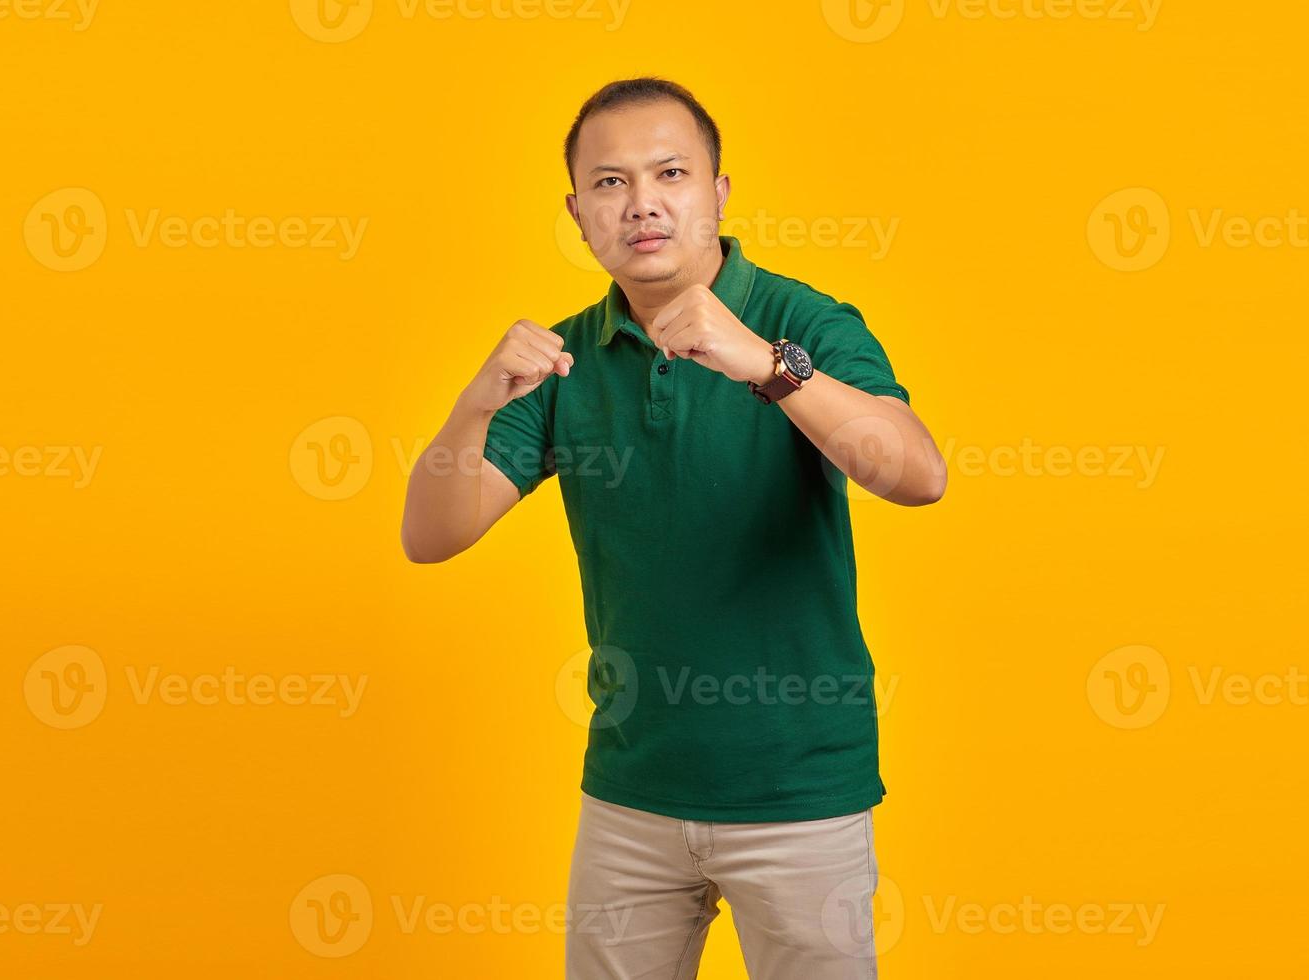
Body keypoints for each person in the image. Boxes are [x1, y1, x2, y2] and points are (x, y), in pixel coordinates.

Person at [401, 76, 946, 979]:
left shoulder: (801, 322)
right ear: (578, 214)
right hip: (631, 793)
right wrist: (472, 406)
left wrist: (764, 366)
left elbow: (916, 474)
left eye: (670, 173)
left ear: (719, 193)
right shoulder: (566, 358)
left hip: (798, 791)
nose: (643, 203)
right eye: (611, 183)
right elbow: (431, 535)